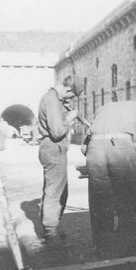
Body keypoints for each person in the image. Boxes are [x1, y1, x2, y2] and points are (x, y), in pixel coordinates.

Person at [83, 100, 136, 257]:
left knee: (100, 200)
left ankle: (102, 247)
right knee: (127, 199)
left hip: (95, 149)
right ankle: (127, 245)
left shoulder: (102, 108)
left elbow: (84, 147)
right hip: (121, 148)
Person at [37, 75, 82, 242]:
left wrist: (64, 110)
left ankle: (52, 226)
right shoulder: (52, 100)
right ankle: (50, 231)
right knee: (55, 190)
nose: (70, 99)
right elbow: (56, 132)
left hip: (54, 148)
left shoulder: (53, 99)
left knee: (58, 189)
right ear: (68, 89)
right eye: (71, 96)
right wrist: (69, 120)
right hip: (53, 147)